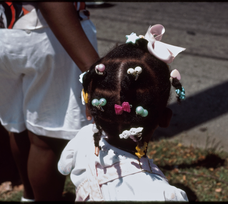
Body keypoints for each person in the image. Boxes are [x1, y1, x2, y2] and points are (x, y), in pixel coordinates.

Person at [58, 24, 189, 201]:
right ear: (165, 119)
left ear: (90, 108)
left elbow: (63, 167)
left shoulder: (83, 139)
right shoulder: (164, 195)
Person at [0, 2, 99, 201]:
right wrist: (93, 70)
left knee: (18, 125)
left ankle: (29, 197)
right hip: (50, 32)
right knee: (48, 139)